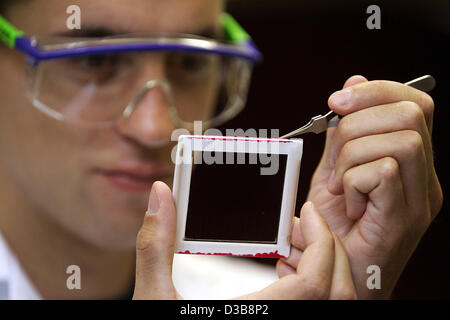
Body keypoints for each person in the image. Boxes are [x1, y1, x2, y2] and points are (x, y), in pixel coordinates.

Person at [0, 0, 442, 300]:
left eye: (191, 61)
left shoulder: (255, 297)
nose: (156, 129)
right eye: (93, 60)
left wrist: (347, 278)